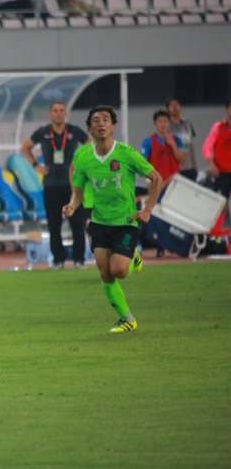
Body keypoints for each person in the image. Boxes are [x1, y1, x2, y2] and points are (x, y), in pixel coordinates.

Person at [63, 105, 162, 334]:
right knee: (105, 272)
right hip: (99, 222)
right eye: (95, 120)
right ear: (89, 128)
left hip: (126, 221)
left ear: (112, 125)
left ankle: (132, 255)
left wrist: (147, 209)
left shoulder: (126, 153)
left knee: (118, 270)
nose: (101, 123)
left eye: (105, 119)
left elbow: (156, 178)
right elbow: (78, 190)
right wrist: (72, 205)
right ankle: (127, 318)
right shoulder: (84, 156)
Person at [21, 101, 89, 268]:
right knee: (54, 224)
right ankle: (58, 260)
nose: (58, 113)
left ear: (66, 113)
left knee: (77, 223)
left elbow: (90, 145)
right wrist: (36, 166)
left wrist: (80, 165)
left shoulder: (73, 131)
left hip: (72, 186)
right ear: (50, 114)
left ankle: (79, 260)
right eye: (55, 110)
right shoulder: (43, 132)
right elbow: (25, 147)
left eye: (61, 110)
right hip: (51, 185)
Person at [140, 110, 185, 185]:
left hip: (174, 183)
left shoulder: (177, 140)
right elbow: (143, 163)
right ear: (155, 123)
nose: (163, 124)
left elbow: (182, 160)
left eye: (165, 121)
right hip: (157, 183)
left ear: (169, 123)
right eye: (160, 121)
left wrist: (173, 145)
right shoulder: (148, 141)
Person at [202, 100, 231, 199]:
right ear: (227, 109)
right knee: (221, 202)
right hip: (220, 171)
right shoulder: (218, 127)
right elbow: (208, 145)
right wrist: (211, 164)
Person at [166, 97, 198, 181]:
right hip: (176, 168)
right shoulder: (166, 126)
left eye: (176, 105)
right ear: (167, 109)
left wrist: (195, 166)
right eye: (172, 105)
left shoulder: (187, 123)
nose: (175, 107)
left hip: (190, 167)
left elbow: (191, 146)